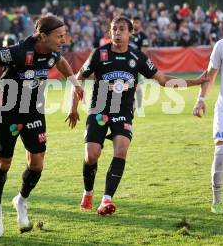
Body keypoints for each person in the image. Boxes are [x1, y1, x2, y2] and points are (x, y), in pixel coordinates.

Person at [66, 15, 208, 216]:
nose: (117, 32)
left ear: (131, 32)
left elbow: (163, 80)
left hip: (123, 112)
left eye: (122, 29)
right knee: (91, 155)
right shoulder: (99, 54)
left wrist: (195, 81)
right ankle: (88, 192)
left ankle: (106, 200)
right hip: (99, 110)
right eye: (114, 29)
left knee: (121, 150)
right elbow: (77, 78)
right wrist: (73, 108)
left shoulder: (137, 58)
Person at [0, 15, 83, 237]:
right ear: (43, 36)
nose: (64, 40)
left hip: (34, 111)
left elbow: (61, 62)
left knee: (37, 164)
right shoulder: (18, 52)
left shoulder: (53, 53)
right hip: (10, 113)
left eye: (64, 35)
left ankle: (21, 200)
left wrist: (75, 83)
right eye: (59, 36)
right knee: (3, 163)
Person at [192, 0, 223, 214]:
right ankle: (217, 201)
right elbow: (210, 77)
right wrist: (201, 99)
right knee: (221, 151)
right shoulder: (222, 45)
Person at [130, 16, 149, 111]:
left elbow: (143, 52)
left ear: (140, 24)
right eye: (134, 22)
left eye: (137, 22)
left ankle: (139, 105)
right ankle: (132, 104)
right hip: (125, 64)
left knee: (137, 85)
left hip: (136, 64)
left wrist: (138, 63)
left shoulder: (143, 37)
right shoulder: (127, 35)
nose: (135, 24)